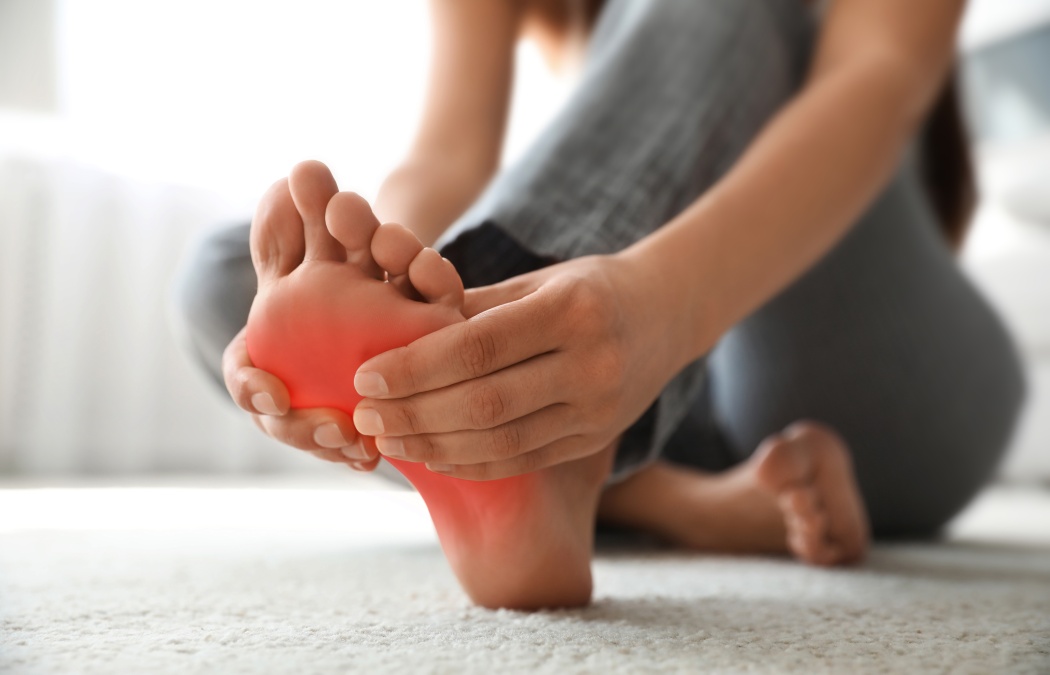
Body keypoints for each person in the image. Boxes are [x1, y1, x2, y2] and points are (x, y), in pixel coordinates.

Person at [171, 0, 1025, 609]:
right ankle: (648, 487)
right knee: (219, 283)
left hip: (862, 363)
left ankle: (535, 419)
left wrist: (661, 302)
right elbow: (447, 156)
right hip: (640, 378)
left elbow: (880, 80)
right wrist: (389, 282)